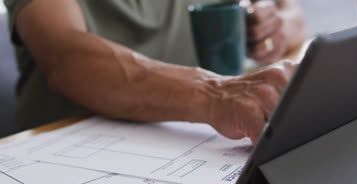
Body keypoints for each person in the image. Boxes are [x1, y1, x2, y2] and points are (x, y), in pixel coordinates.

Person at [5, 0, 306, 143]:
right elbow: (65, 58)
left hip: (187, 143)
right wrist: (216, 94)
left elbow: (291, 14)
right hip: (68, 155)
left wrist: (274, 27)